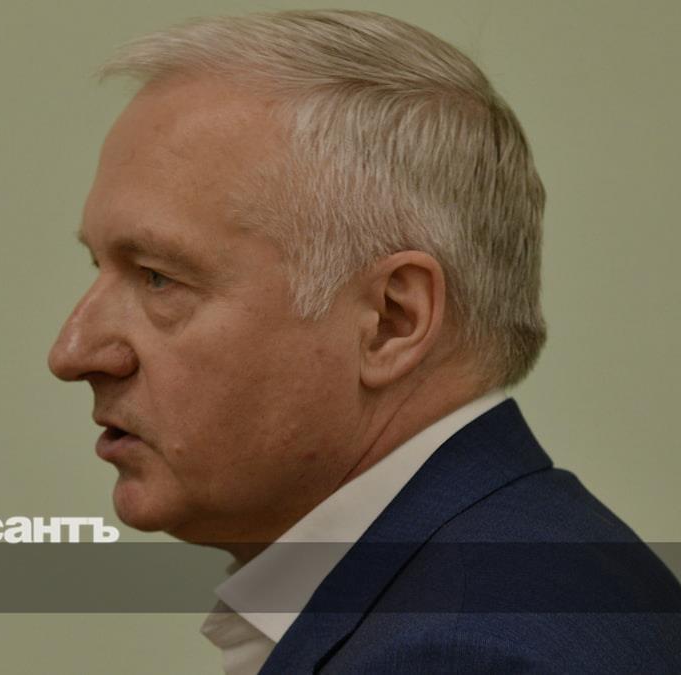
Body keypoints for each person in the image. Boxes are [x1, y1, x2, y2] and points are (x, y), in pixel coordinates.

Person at [47, 10, 681, 674]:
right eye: (99, 266)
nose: (73, 351)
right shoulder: (527, 574)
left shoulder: (457, 653)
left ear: (391, 320)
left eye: (158, 276)